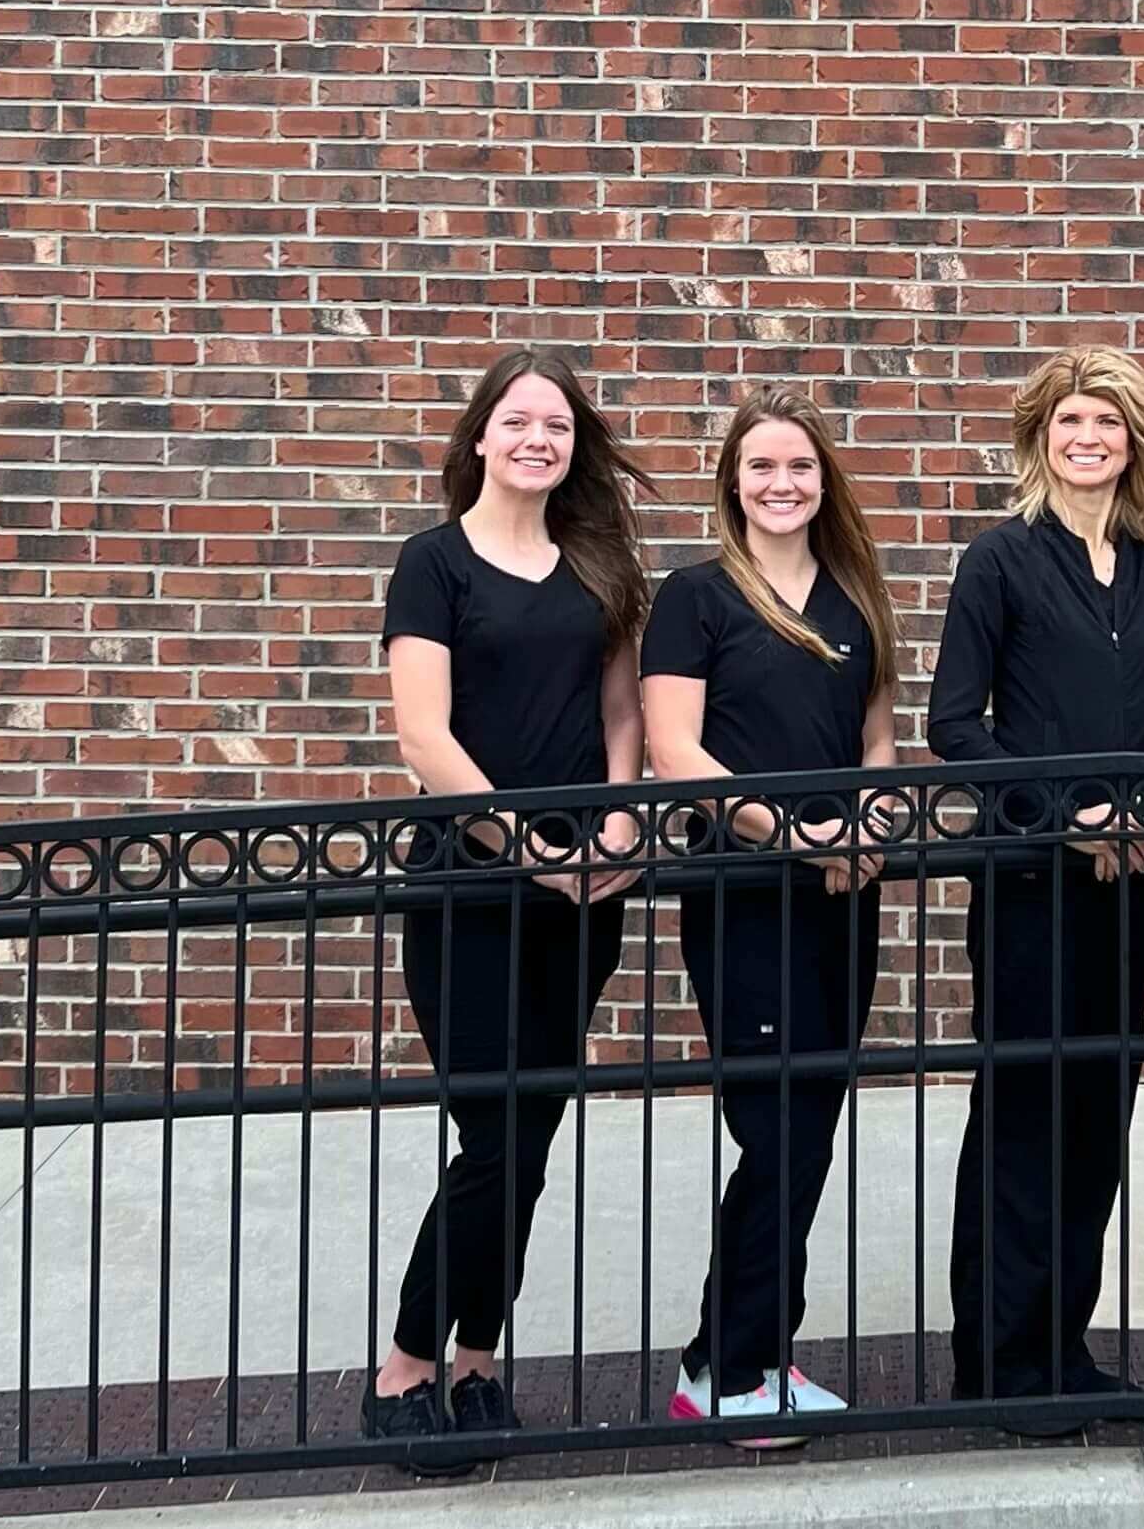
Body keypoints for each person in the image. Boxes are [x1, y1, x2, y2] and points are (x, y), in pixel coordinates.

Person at [363, 348, 652, 1464]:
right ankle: (405, 1360)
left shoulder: (598, 562)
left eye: (559, 427)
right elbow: (422, 734)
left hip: (585, 888)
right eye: (520, 421)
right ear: (481, 436)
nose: (539, 439)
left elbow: (621, 708)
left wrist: (619, 821)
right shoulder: (432, 564)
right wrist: (522, 842)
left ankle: (477, 1357)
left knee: (532, 1132)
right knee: (494, 1128)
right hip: (468, 885)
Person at [925, 346, 1144, 1428]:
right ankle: (996, 1359)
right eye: (1069, 424)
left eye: (1108, 425)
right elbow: (956, 723)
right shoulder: (998, 562)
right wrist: (1067, 814)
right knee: (1025, 1108)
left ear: (1134, 444)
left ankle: (1063, 1346)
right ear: (1039, 439)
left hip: (1126, 885)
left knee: (1099, 1107)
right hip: (1032, 879)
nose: (1088, 442)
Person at [642, 385, 900, 1443]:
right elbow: (675, 753)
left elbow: (877, 740)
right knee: (775, 1127)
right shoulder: (695, 597)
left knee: (811, 1128)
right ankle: (735, 1369)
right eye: (761, 467)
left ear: (822, 481)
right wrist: (801, 834)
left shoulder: (853, 597)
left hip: (844, 901)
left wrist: (871, 821)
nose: (782, 483)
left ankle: (729, 1354)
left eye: (799, 466)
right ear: (733, 484)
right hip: (744, 897)